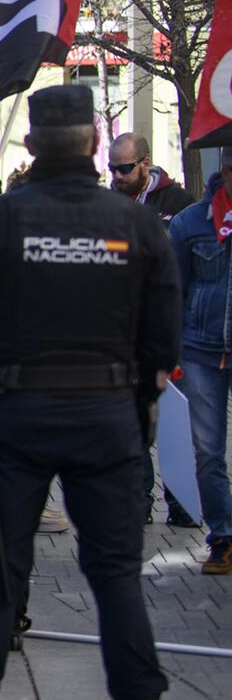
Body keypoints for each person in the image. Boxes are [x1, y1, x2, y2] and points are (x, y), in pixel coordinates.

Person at [0, 84, 180, 699]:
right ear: (96, 146)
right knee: (116, 576)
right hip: (109, 418)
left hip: (17, 420)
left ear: (30, 144)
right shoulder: (135, 224)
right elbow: (164, 337)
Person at [169, 148, 232, 572]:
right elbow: (174, 291)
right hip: (202, 350)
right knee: (208, 452)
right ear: (225, 171)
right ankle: (223, 538)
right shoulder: (191, 222)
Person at [110, 132, 192, 220]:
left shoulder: (178, 199)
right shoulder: (105, 203)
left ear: (146, 163)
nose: (117, 175)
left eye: (125, 168)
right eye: (112, 168)